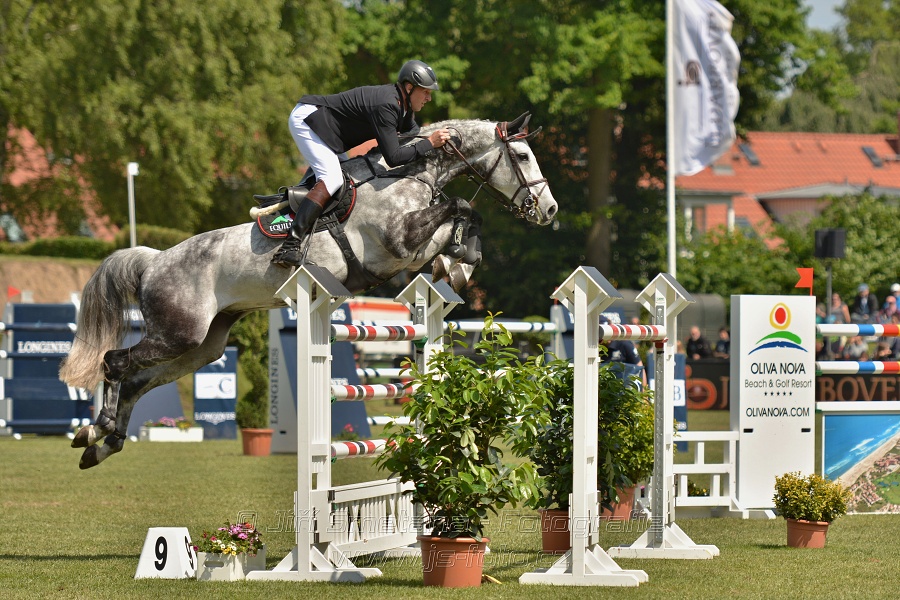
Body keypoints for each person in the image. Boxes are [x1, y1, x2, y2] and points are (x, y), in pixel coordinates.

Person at [272, 59, 452, 267]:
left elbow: (412, 135)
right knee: (332, 179)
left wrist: (432, 144)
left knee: (345, 183)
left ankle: (305, 222)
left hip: (328, 135)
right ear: (409, 87)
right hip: (310, 121)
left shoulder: (403, 107)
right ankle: (290, 245)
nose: (429, 98)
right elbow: (394, 158)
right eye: (426, 92)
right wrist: (430, 143)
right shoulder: (388, 104)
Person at [599, 315, 646, 386]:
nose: (605, 336)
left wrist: (644, 395)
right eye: (602, 332)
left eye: (607, 331)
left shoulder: (624, 343)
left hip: (624, 390)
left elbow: (640, 368)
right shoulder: (593, 348)